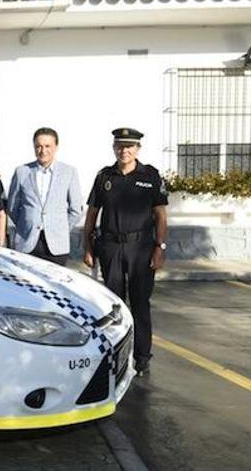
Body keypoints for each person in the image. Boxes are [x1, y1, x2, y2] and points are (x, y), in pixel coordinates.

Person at [83, 127, 168, 377]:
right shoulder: (104, 176)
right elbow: (92, 214)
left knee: (140, 303)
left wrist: (159, 247)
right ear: (114, 148)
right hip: (110, 247)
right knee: (113, 306)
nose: (124, 150)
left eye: (129, 146)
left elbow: (161, 215)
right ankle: (115, 354)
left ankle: (142, 358)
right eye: (120, 146)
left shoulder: (150, 176)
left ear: (137, 149)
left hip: (141, 248)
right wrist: (88, 247)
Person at [7, 127, 83, 266]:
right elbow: (12, 207)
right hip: (27, 242)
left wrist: (60, 227)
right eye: (38, 146)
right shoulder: (22, 172)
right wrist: (27, 224)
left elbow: (76, 209)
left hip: (56, 244)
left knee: (54, 285)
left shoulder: (69, 172)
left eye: (47, 146)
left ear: (56, 147)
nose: (43, 150)